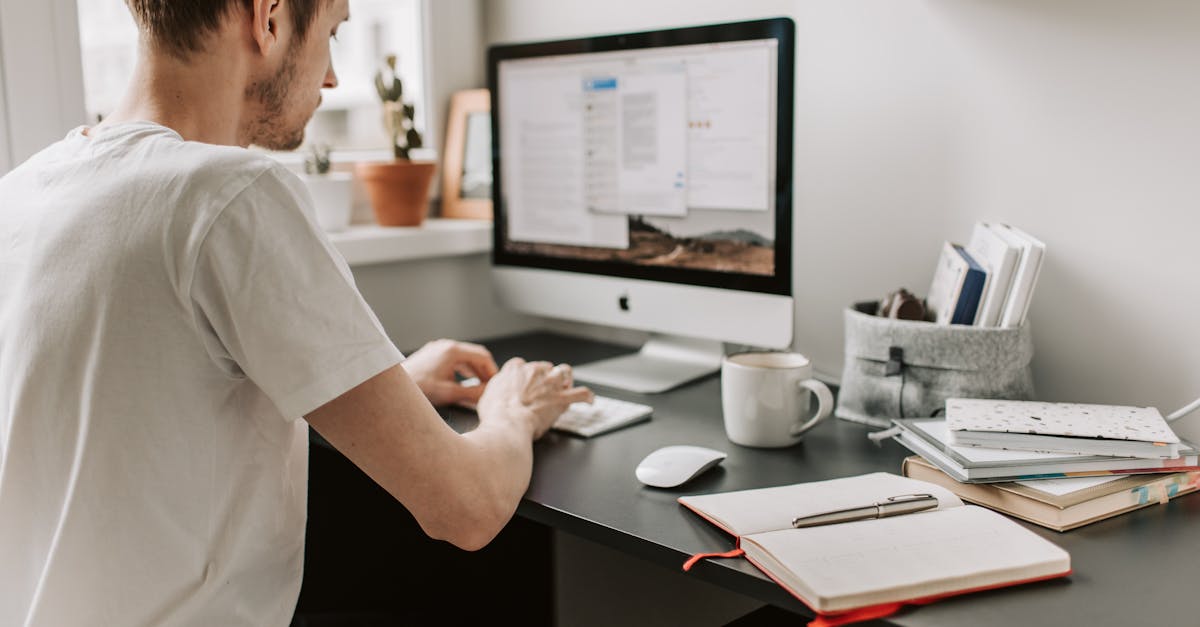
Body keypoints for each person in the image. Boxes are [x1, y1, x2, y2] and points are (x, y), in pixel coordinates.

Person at [0, 0, 592, 625]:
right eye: (333, 32)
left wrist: (391, 386)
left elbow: (139, 415)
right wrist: (513, 413)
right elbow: (467, 509)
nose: (333, 77)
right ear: (269, 17)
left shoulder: (21, 196)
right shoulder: (230, 195)